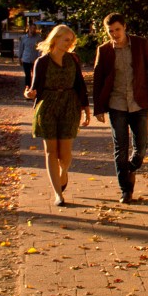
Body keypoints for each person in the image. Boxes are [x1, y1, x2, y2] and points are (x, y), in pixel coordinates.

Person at [92, 13, 148, 204]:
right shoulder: (104, 50)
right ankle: (126, 190)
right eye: (110, 31)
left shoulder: (140, 44)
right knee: (120, 147)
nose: (114, 34)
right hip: (116, 104)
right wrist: (98, 108)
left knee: (141, 147)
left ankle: (131, 167)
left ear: (124, 27)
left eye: (117, 29)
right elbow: (98, 80)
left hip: (139, 102)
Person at [24, 24, 90, 207]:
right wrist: (29, 94)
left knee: (65, 153)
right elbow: (34, 87)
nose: (69, 43)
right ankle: (57, 194)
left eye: (71, 40)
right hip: (48, 106)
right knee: (51, 151)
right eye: (66, 39)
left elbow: (80, 84)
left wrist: (86, 108)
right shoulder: (42, 62)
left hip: (70, 104)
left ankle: (63, 172)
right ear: (55, 39)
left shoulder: (73, 59)